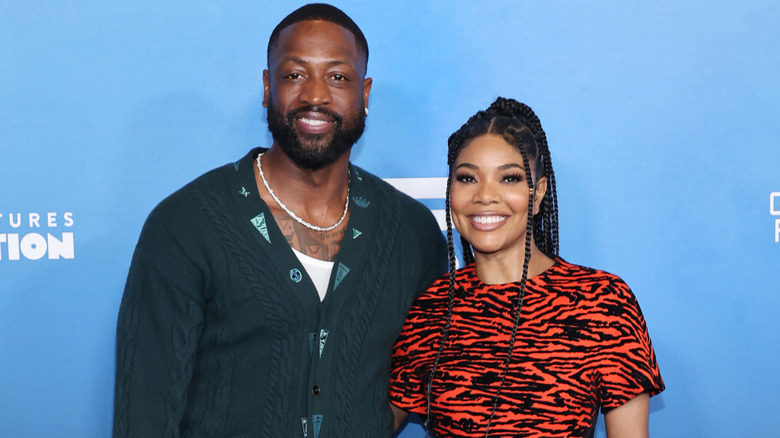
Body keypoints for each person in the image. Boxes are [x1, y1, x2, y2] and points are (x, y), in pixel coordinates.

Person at [113, 4, 447, 437]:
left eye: (338, 77)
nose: (315, 95)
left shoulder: (412, 232)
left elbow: (421, 379)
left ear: (364, 94)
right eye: (294, 75)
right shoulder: (185, 225)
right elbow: (145, 413)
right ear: (268, 86)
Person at [389, 97, 664, 437]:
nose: (485, 195)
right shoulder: (433, 308)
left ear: (538, 194)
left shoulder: (602, 303)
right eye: (467, 178)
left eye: (509, 178)